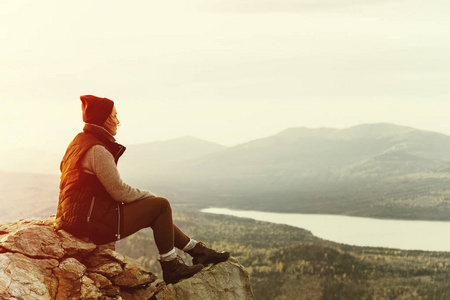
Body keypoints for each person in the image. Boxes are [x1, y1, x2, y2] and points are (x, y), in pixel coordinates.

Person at [55, 95, 229, 284]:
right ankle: (172, 267)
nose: (118, 121)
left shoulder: (78, 143)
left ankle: (197, 251)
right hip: (91, 222)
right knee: (160, 206)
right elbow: (119, 191)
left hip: (77, 218)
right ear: (104, 120)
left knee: (155, 211)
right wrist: (149, 197)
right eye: (115, 117)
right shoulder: (97, 150)